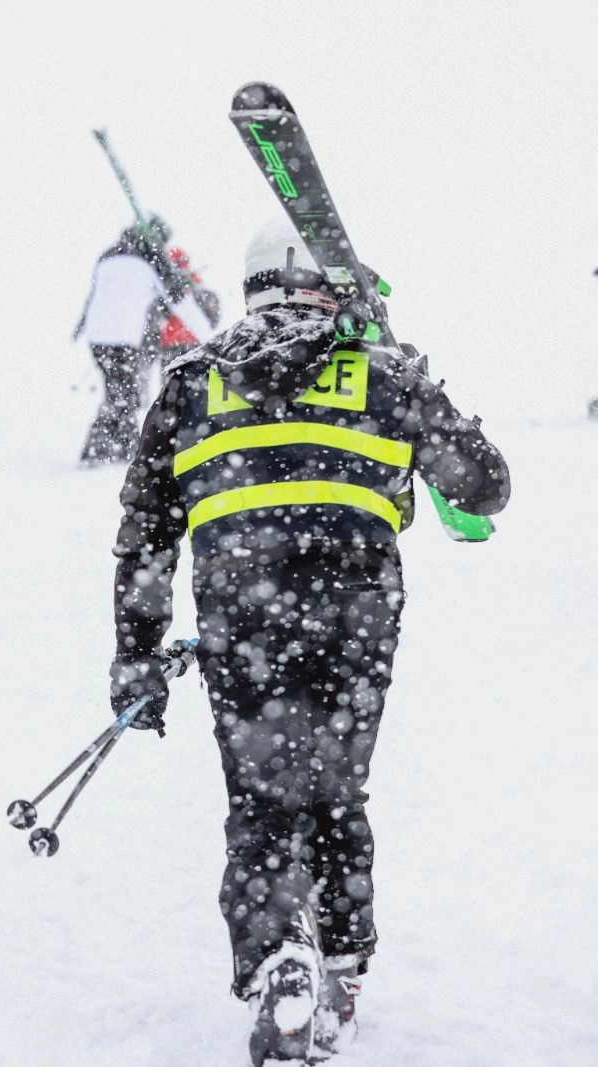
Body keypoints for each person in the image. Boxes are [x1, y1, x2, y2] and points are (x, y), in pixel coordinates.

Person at [107, 216, 511, 1065]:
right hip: (355, 614)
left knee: (263, 798)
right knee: (334, 787)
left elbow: (145, 536)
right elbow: (485, 486)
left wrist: (138, 653)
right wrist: (412, 379)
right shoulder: (384, 373)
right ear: (333, 287)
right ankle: (342, 966)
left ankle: (278, 956)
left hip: (241, 614)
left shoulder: (190, 381)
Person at [74, 216, 220, 465]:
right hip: (125, 337)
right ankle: (112, 449)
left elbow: (96, 294)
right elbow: (178, 300)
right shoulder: (155, 260)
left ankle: (114, 447)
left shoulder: (109, 254)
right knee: (125, 394)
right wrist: (208, 336)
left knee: (119, 391)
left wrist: (80, 326)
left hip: (97, 336)